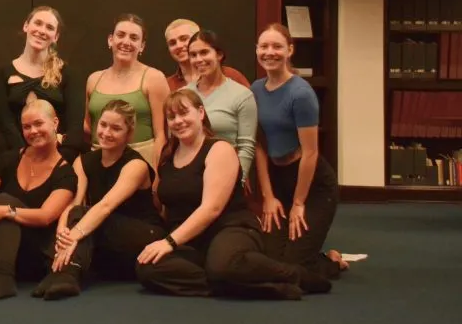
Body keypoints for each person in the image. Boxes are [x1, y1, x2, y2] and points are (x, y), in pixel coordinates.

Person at [135, 89, 331, 300]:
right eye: (171, 117)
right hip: (189, 238)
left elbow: (211, 209)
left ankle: (295, 276)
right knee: (147, 267)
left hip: (229, 229)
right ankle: (232, 286)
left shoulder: (220, 149)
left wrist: (169, 242)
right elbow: (163, 204)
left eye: (184, 113)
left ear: (200, 113)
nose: (178, 121)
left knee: (223, 266)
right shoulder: (167, 155)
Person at [251, 24, 343, 279]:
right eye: (264, 46)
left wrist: (298, 203)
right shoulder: (256, 89)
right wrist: (268, 197)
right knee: (271, 259)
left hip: (312, 185)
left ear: (289, 50)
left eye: (277, 46)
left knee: (294, 267)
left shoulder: (301, 93)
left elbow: (311, 152)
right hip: (278, 179)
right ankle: (314, 254)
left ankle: (333, 261)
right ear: (257, 50)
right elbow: (259, 145)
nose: (270, 52)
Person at [0, 99, 77, 301]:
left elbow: (45, 217)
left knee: (5, 199)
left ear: (55, 123)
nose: (33, 131)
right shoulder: (9, 159)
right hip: (1, 248)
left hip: (35, 252)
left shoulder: (66, 173)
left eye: (38, 124)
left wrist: (7, 211)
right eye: (26, 127)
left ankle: (4, 278)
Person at [51, 100, 165, 298]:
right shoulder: (83, 161)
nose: (106, 132)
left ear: (129, 134)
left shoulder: (135, 165)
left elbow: (106, 206)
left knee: (87, 216)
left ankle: (66, 275)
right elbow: (74, 204)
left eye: (116, 128)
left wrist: (74, 235)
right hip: (107, 233)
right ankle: (66, 273)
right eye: (103, 125)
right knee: (77, 215)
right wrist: (62, 232)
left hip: (144, 234)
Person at [0, 6, 85, 162]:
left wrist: (57, 161)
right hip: (14, 159)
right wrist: (26, 159)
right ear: (26, 26)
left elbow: (75, 129)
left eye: (49, 27)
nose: (42, 31)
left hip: (59, 159)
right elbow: (5, 125)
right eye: (38, 23)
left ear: (56, 36)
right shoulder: (1, 75)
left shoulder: (69, 75)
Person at [85, 13, 170, 166]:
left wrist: (157, 173)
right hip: (99, 165)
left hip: (143, 164)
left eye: (134, 38)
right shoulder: (93, 80)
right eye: (121, 35)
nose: (126, 42)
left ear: (142, 46)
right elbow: (87, 127)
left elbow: (162, 135)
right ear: (110, 40)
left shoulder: (154, 78)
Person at [186, 30, 257, 183]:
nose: (198, 59)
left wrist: (239, 180)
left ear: (219, 54)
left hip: (225, 177)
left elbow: (246, 146)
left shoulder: (242, 95)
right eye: (193, 55)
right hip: (189, 177)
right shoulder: (184, 94)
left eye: (204, 52)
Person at [164, 18, 250, 91]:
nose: (178, 46)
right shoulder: (167, 85)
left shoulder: (230, 75)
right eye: (172, 43)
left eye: (184, 39)